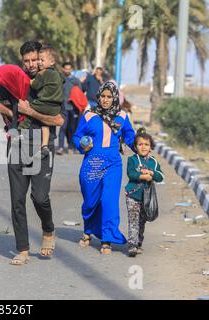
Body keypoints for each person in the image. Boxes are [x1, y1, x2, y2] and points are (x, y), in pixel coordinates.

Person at [0, 41, 65, 265]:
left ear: (40, 59)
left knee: (39, 198)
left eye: (34, 60)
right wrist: (11, 112)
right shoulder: (16, 80)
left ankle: (48, 230)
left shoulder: (50, 81)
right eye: (26, 61)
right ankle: (22, 249)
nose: (30, 65)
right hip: (17, 144)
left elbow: (58, 119)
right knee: (17, 199)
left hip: (42, 145)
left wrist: (31, 112)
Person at [74, 81, 136, 255]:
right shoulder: (89, 115)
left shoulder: (122, 116)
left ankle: (107, 239)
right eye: (103, 96)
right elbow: (77, 136)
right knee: (90, 201)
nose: (106, 100)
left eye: (109, 97)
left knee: (108, 201)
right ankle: (88, 231)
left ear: (115, 98)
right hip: (92, 164)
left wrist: (139, 146)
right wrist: (82, 144)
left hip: (112, 164)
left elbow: (130, 136)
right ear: (98, 97)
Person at [17, 45, 64, 159]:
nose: (36, 63)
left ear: (52, 61)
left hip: (44, 105)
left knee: (29, 110)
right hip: (54, 106)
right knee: (45, 124)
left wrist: (28, 111)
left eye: (38, 60)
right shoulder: (57, 74)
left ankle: (21, 131)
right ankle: (44, 146)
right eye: (27, 61)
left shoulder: (42, 74)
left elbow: (60, 121)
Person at [125, 128, 163, 257]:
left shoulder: (154, 162)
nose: (143, 147)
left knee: (142, 221)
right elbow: (131, 173)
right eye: (140, 144)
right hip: (133, 195)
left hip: (146, 198)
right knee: (133, 220)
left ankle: (138, 243)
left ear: (151, 147)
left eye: (146, 144)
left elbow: (160, 176)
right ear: (135, 147)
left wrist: (152, 173)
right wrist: (142, 176)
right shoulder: (132, 159)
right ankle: (132, 245)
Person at [57, 61, 83, 155]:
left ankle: (71, 147)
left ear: (71, 69)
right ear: (63, 69)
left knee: (72, 128)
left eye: (69, 69)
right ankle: (60, 147)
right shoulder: (59, 80)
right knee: (63, 127)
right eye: (66, 68)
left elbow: (80, 95)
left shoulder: (76, 81)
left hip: (73, 108)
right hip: (63, 108)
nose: (67, 70)